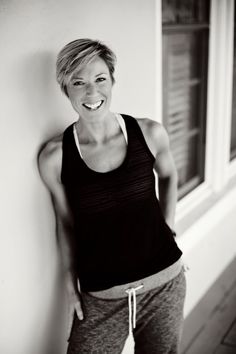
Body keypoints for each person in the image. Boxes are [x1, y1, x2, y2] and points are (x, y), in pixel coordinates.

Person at [38, 38, 186, 354]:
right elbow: (65, 222)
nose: (91, 93)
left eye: (100, 79)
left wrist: (169, 224)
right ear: (66, 88)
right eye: (79, 82)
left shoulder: (150, 133)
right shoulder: (55, 157)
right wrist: (69, 285)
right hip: (101, 298)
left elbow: (170, 174)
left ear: (112, 80)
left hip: (165, 284)